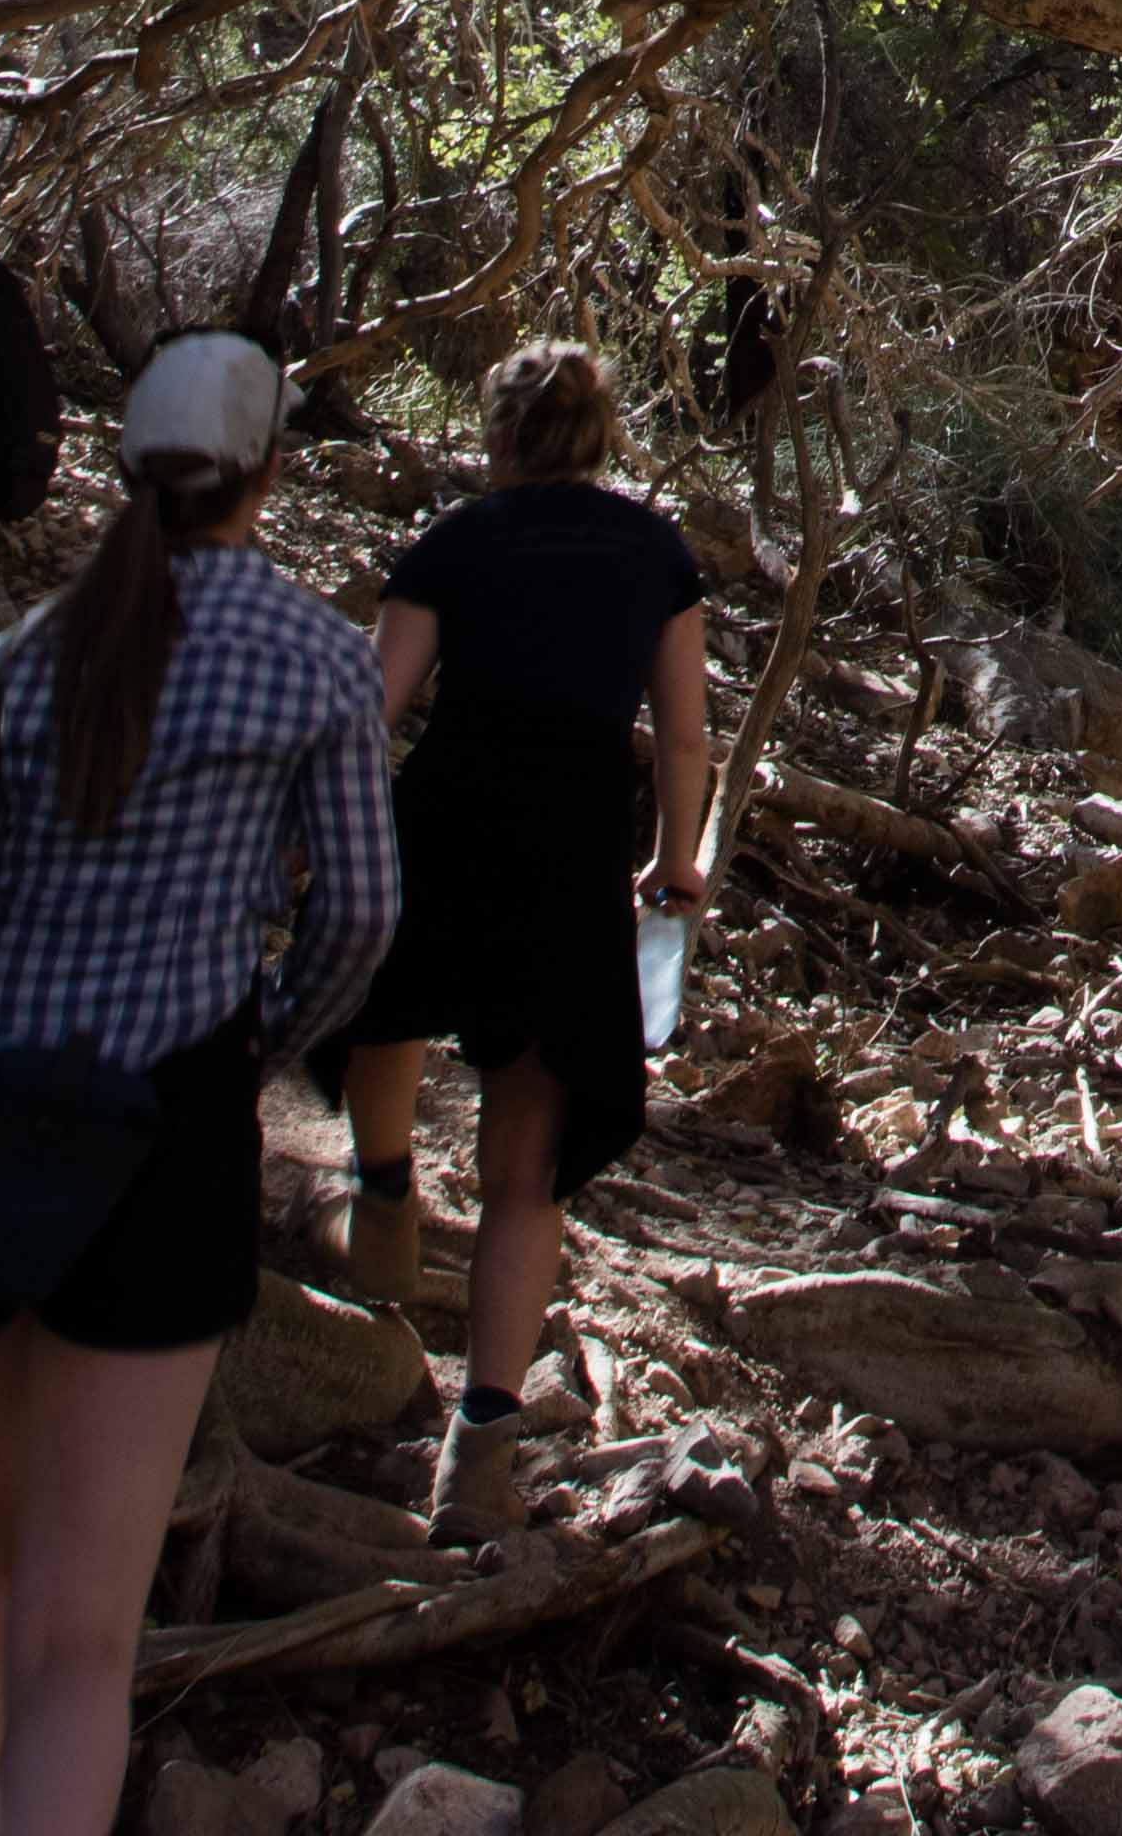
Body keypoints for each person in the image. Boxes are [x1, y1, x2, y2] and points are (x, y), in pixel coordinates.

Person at [0, 332, 387, 1836]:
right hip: (158, 1149)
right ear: (267, 476)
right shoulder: (314, 660)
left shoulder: (21, 657)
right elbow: (357, 912)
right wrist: (260, 1048)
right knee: (88, 1637)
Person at [331, 340, 711, 1459]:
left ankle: (385, 1187)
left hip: (445, 814)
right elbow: (684, 733)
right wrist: (674, 860)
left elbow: (374, 706)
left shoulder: (456, 540)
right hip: (573, 842)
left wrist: (324, 836)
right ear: (599, 436)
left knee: (388, 1003)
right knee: (528, 1150)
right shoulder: (653, 550)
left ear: (499, 434)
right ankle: (483, 1438)